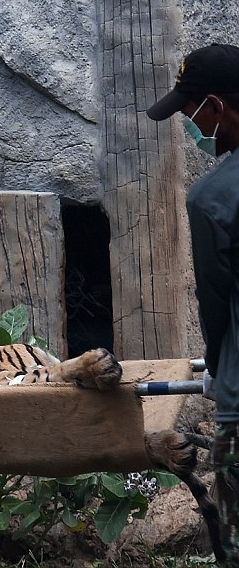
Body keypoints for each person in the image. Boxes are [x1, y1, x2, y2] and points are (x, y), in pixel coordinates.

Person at [147, 42, 239, 566]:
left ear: (217, 106)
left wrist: (220, 369)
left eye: (190, 114)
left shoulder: (213, 198)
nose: (190, 127)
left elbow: (216, 301)